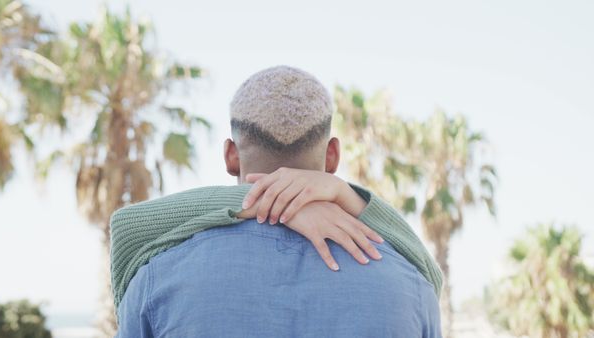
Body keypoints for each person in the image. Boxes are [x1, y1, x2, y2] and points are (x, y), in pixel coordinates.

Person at [112, 66, 442, 337]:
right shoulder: (409, 282)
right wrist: (345, 192)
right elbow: (420, 261)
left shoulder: (155, 274)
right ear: (332, 157)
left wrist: (252, 201)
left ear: (231, 156)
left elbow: (129, 227)